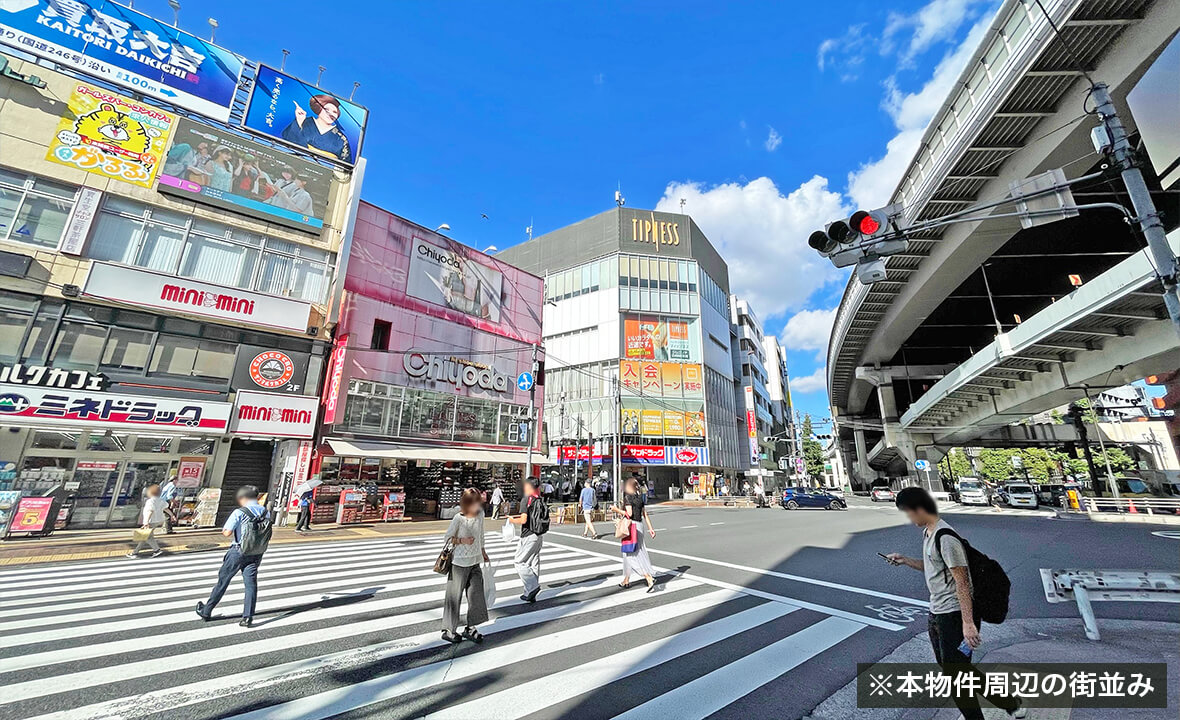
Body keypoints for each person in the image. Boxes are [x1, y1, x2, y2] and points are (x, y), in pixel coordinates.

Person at [885, 487, 1025, 720]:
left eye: (909, 513)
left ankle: (1001, 707)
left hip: (955, 615)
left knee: (957, 678)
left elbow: (963, 583)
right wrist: (905, 561)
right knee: (955, 670)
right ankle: (1010, 702)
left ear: (920, 509)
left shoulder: (946, 537)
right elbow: (935, 568)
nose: (909, 519)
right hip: (937, 613)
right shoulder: (929, 533)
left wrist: (968, 624)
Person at [196, 486, 268, 628]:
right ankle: (247, 617)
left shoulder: (239, 512)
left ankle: (206, 610)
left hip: (238, 550)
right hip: (256, 551)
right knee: (251, 584)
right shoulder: (266, 511)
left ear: (244, 498)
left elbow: (227, 532)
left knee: (223, 580)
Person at [440, 488, 490, 643]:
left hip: (475, 561)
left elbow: (481, 534)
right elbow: (447, 538)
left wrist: (483, 551)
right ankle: (449, 630)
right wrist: (462, 541)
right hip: (459, 563)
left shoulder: (480, 515)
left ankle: (471, 627)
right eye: (475, 503)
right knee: (454, 597)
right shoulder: (458, 518)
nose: (478, 506)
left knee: (476, 596)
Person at [611, 477, 657, 592]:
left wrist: (616, 509)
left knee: (631, 554)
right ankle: (626, 580)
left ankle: (648, 577)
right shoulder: (640, 498)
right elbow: (645, 514)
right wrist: (651, 529)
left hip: (631, 526)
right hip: (640, 526)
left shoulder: (628, 497)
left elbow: (629, 514)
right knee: (637, 551)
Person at [281, 94, 353, 163]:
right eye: (326, 110)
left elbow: (345, 165)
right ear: (318, 108)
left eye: (334, 112)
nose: (330, 114)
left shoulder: (341, 138)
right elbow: (287, 141)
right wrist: (299, 121)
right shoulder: (305, 122)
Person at [508, 478, 546, 603]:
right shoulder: (538, 498)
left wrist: (512, 520)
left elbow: (524, 520)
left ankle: (532, 587)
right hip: (538, 534)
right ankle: (530, 592)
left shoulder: (526, 499)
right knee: (533, 562)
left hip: (528, 535)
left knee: (519, 562)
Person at [127, 483, 166, 558]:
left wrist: (146, 522)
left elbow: (150, 511)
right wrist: (172, 515)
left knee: (147, 537)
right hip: (158, 520)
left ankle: (157, 550)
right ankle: (135, 552)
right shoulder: (160, 500)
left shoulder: (150, 501)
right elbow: (166, 508)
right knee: (145, 537)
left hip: (151, 521)